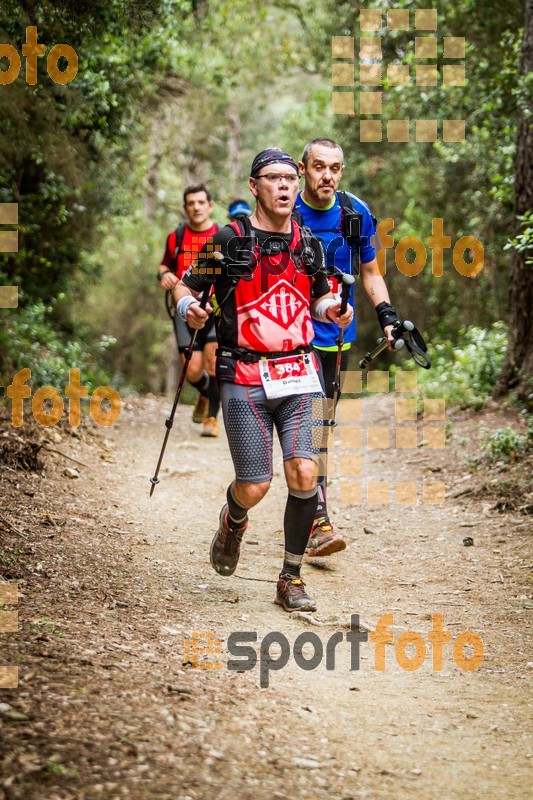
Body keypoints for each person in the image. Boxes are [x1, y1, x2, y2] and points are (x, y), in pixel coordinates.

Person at [173, 148, 354, 612]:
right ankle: (233, 519)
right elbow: (186, 286)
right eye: (273, 178)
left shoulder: (307, 241)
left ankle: (290, 579)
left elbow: (318, 296)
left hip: (299, 371)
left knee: (305, 473)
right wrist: (188, 309)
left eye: (290, 178)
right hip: (244, 373)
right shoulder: (230, 241)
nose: (285, 185)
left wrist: (331, 308)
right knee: (255, 486)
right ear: (254, 186)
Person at [295, 138, 397, 556]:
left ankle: (308, 503)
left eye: (335, 168)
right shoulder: (287, 211)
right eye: (319, 167)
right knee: (309, 426)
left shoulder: (354, 212)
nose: (327, 176)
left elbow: (371, 272)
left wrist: (388, 316)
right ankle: (317, 520)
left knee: (322, 428)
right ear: (303, 170)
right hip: (292, 339)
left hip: (339, 339)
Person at [157, 183, 221, 437]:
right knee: (192, 370)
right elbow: (164, 267)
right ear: (185, 208)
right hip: (184, 309)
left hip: (215, 309)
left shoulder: (221, 235)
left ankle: (212, 419)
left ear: (210, 206)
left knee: (214, 363)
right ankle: (205, 394)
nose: (196, 207)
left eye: (200, 203)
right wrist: (165, 276)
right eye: (191, 203)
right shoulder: (177, 237)